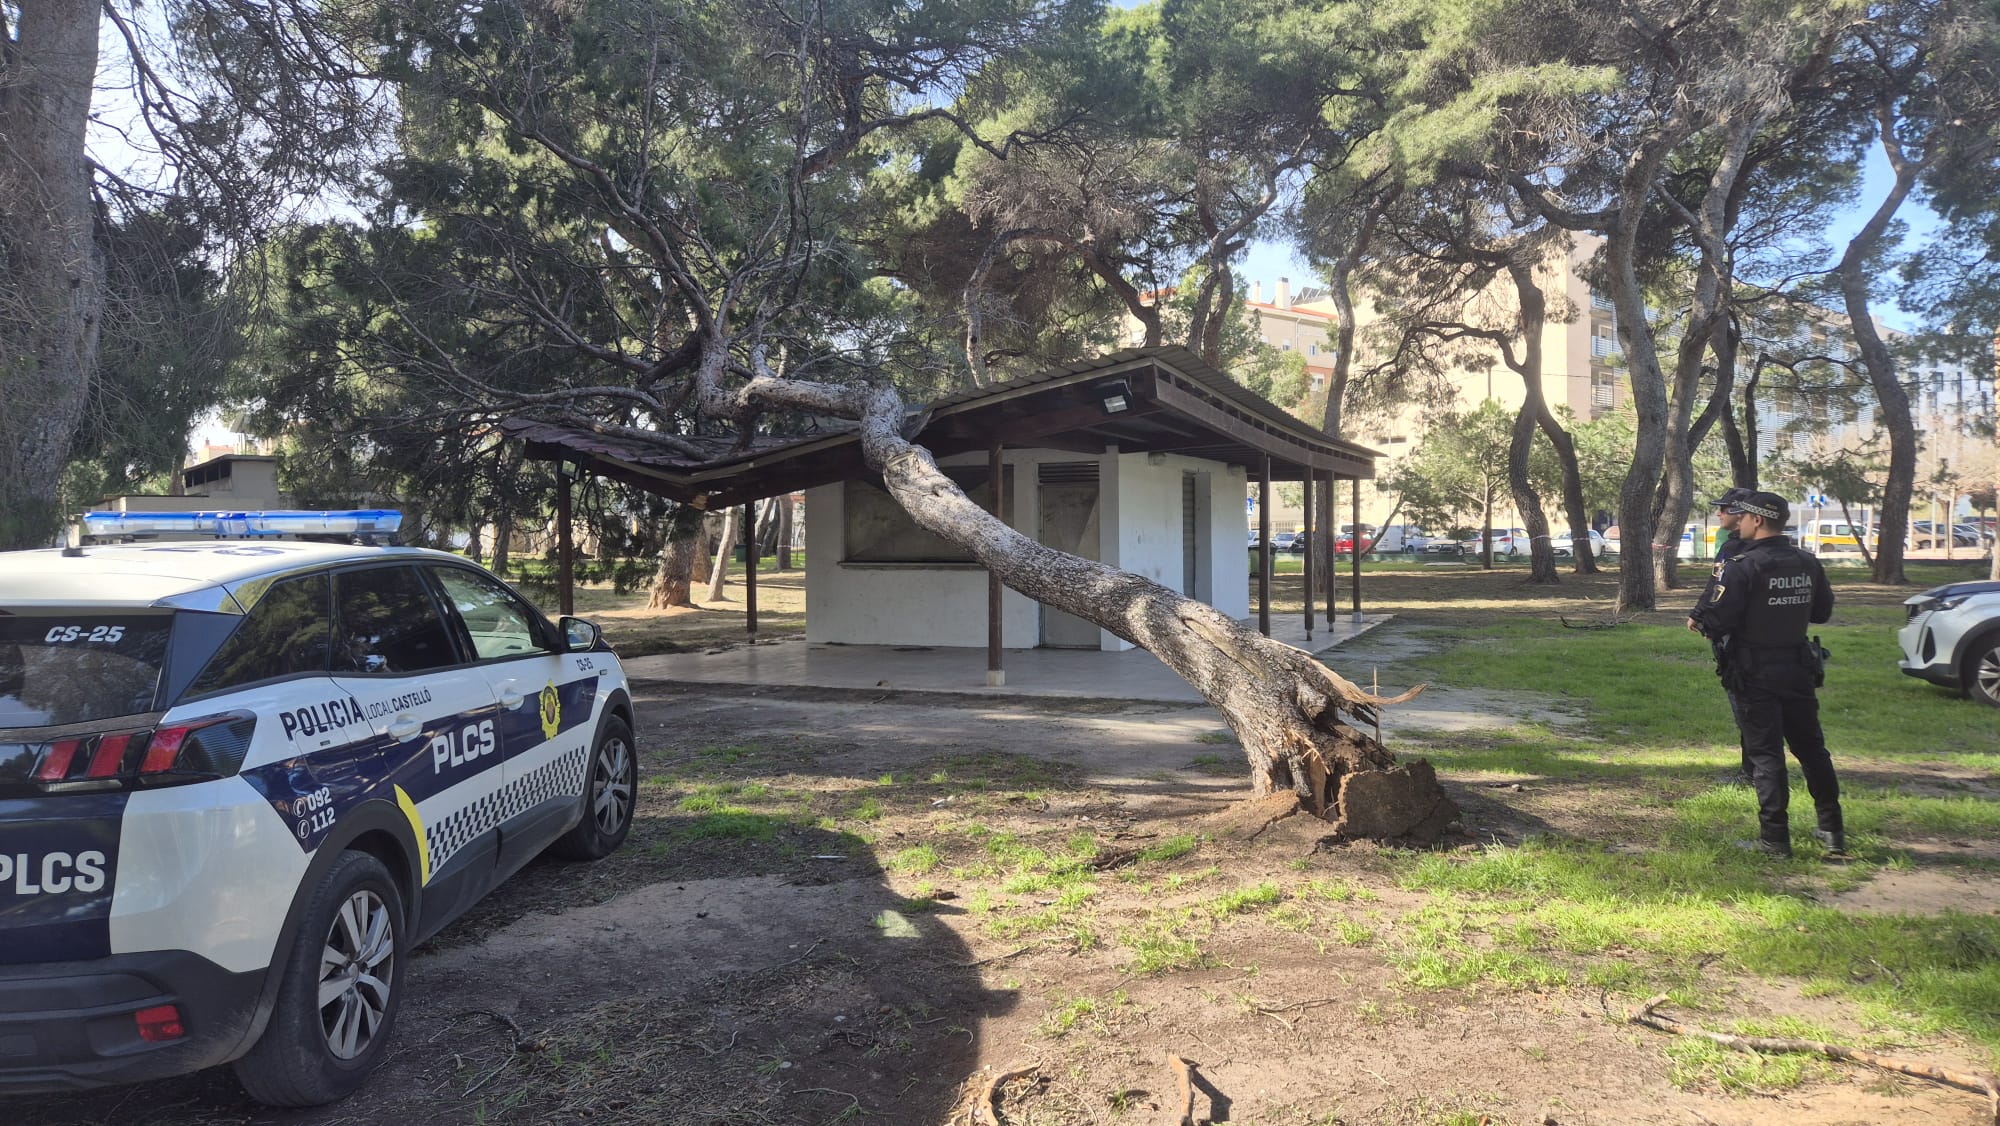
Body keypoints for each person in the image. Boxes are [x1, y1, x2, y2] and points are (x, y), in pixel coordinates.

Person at [1691, 491, 1844, 858]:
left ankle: (1774, 840)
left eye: (1743, 517)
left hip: (1753, 671)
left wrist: (1703, 622)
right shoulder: (1807, 562)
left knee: (1765, 756)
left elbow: (1716, 621)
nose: (1738, 522)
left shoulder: (1743, 565)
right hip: (1798, 668)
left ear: (1757, 521)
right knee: (1812, 749)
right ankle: (1832, 831)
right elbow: (1821, 613)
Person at [1688, 487, 1755, 782]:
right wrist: (1699, 614)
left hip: (1744, 641)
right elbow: (1716, 584)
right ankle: (1752, 768)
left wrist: (1714, 623)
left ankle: (1753, 771)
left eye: (1724, 509)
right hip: (1727, 639)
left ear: (1741, 514)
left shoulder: (1752, 551)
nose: (1718, 513)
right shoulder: (1728, 547)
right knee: (1742, 706)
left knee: (1748, 708)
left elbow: (1734, 599)